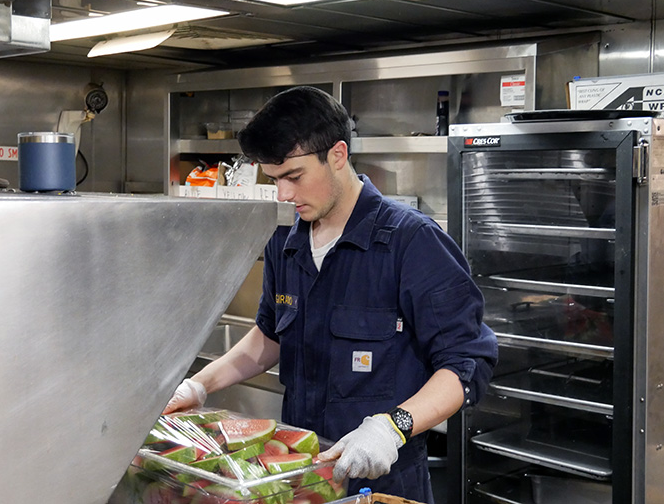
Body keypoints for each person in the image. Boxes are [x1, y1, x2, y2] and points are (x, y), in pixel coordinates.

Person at [164, 86, 498, 503]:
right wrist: (197, 386)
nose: (283, 194)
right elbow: (270, 335)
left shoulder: (413, 242)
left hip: (385, 482)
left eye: (293, 177)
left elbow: (466, 363)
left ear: (337, 155)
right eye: (274, 180)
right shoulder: (285, 238)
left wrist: (391, 427)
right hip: (301, 476)